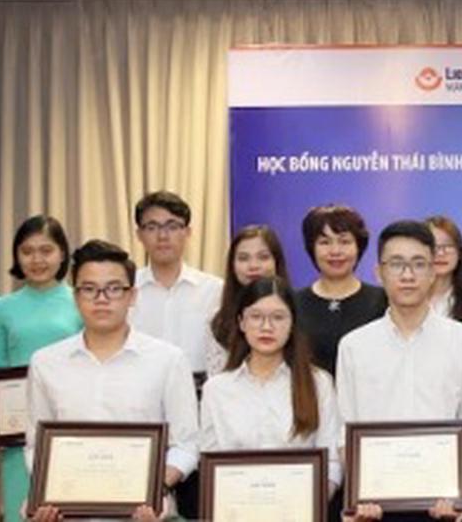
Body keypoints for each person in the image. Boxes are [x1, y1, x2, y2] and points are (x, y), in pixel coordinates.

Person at [24, 240, 200, 521]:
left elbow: (187, 444)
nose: (102, 298)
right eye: (89, 289)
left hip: (144, 514)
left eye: (114, 288)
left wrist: (154, 489)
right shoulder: (45, 363)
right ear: (75, 296)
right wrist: (49, 489)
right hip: (68, 513)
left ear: (132, 296)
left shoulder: (168, 360)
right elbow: (36, 445)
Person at [341, 221, 462, 522]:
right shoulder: (354, 345)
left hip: (444, 505)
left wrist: (457, 493)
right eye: (396, 264)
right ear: (378, 273)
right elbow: (344, 427)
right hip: (375, 506)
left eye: (419, 264)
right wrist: (358, 494)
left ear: (433, 272)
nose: (408, 275)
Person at [201, 277, 343, 517]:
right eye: (256, 316)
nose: (266, 327)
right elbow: (209, 464)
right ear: (241, 322)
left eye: (278, 317)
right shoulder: (216, 390)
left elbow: (332, 462)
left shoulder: (318, 383)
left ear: (292, 323)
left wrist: (311, 506)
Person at [0, 216, 83, 522]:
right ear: (16, 256)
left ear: (62, 253)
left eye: (46, 250)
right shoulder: (0, 308)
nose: (37, 259)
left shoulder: (80, 301)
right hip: (17, 430)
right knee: (23, 508)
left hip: (73, 421)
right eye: (27, 251)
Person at [129, 191, 225, 375]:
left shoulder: (214, 290)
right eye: (152, 227)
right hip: (139, 386)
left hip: (198, 387)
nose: (162, 236)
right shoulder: (126, 290)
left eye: (172, 226)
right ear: (139, 235)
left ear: (187, 232)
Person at [295, 204, 388, 374]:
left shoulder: (384, 300)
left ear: (359, 247)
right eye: (325, 242)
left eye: (344, 242)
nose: (335, 251)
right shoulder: (293, 303)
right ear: (311, 248)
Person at [207, 225, 289, 373]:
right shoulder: (218, 321)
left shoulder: (298, 312)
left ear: (276, 262)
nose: (253, 266)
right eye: (243, 258)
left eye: (263, 257)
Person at [425, 215, 462, 325]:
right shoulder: (405, 300)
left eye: (447, 245)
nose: (440, 253)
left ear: (459, 252)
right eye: (433, 246)